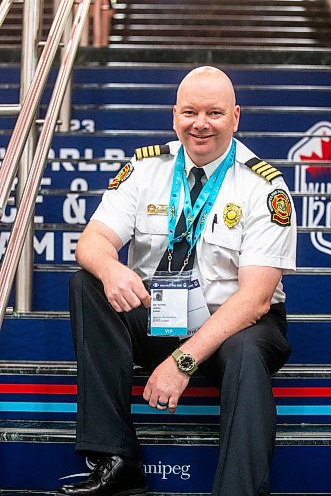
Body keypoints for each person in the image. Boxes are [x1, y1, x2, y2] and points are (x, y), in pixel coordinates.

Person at [59, 66, 297, 496]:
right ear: (174, 115)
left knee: (246, 349)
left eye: (214, 113)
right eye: (190, 111)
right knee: (87, 284)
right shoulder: (144, 167)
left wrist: (182, 363)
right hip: (161, 318)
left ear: (236, 117)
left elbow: (256, 300)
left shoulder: (264, 186)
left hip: (236, 328)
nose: (200, 123)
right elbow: (93, 240)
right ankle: (115, 459)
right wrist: (111, 267)